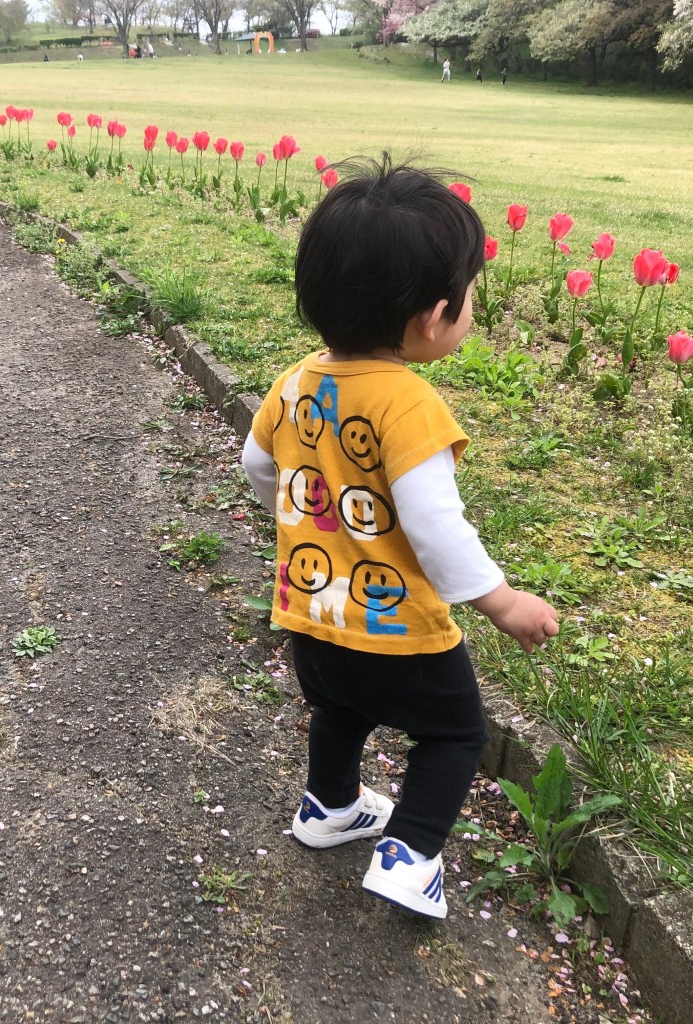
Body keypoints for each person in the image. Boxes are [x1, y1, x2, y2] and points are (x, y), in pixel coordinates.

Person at [241, 155, 559, 921]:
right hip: (401, 633)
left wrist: (303, 514)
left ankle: (329, 808)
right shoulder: (407, 404)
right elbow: (432, 522)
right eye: (472, 294)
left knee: (341, 711)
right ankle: (411, 855)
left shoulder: (295, 384)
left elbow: (256, 464)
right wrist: (502, 601)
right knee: (453, 734)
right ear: (432, 316)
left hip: (312, 614)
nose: (473, 306)